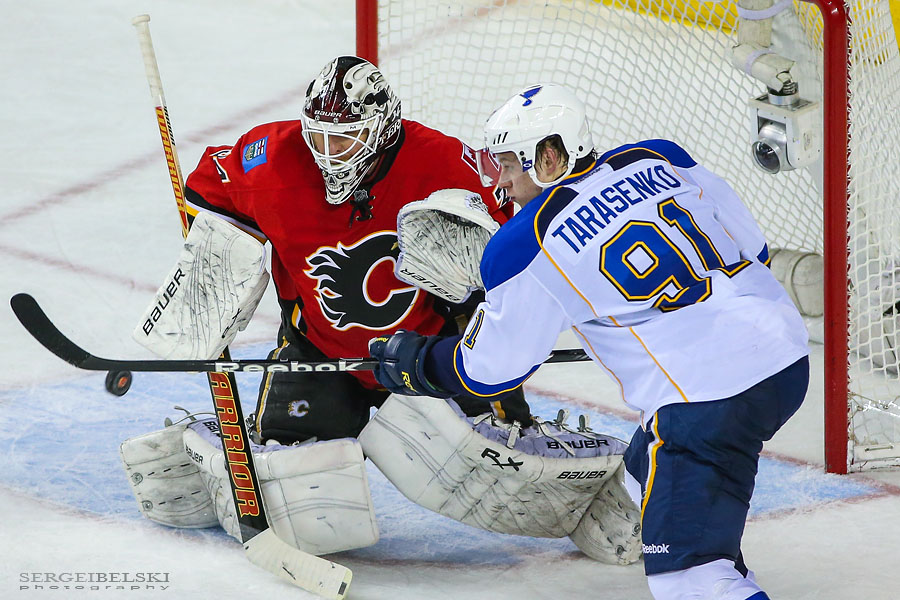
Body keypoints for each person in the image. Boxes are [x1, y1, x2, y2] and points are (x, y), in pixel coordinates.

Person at [369, 83, 810, 600]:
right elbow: (752, 249)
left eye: (510, 165)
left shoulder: (527, 240)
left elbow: (491, 371)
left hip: (707, 397)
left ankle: (708, 564)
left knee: (691, 579)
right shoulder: (659, 156)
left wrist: (419, 363)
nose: (503, 182)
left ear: (550, 156)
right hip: (785, 356)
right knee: (651, 460)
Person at [180, 55, 529, 441]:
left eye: (346, 137)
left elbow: (509, 240)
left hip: (431, 352)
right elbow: (205, 191)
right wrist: (217, 265)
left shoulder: (445, 163)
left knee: (498, 468)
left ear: (382, 129)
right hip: (319, 353)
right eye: (319, 137)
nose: (329, 152)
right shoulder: (273, 158)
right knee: (295, 477)